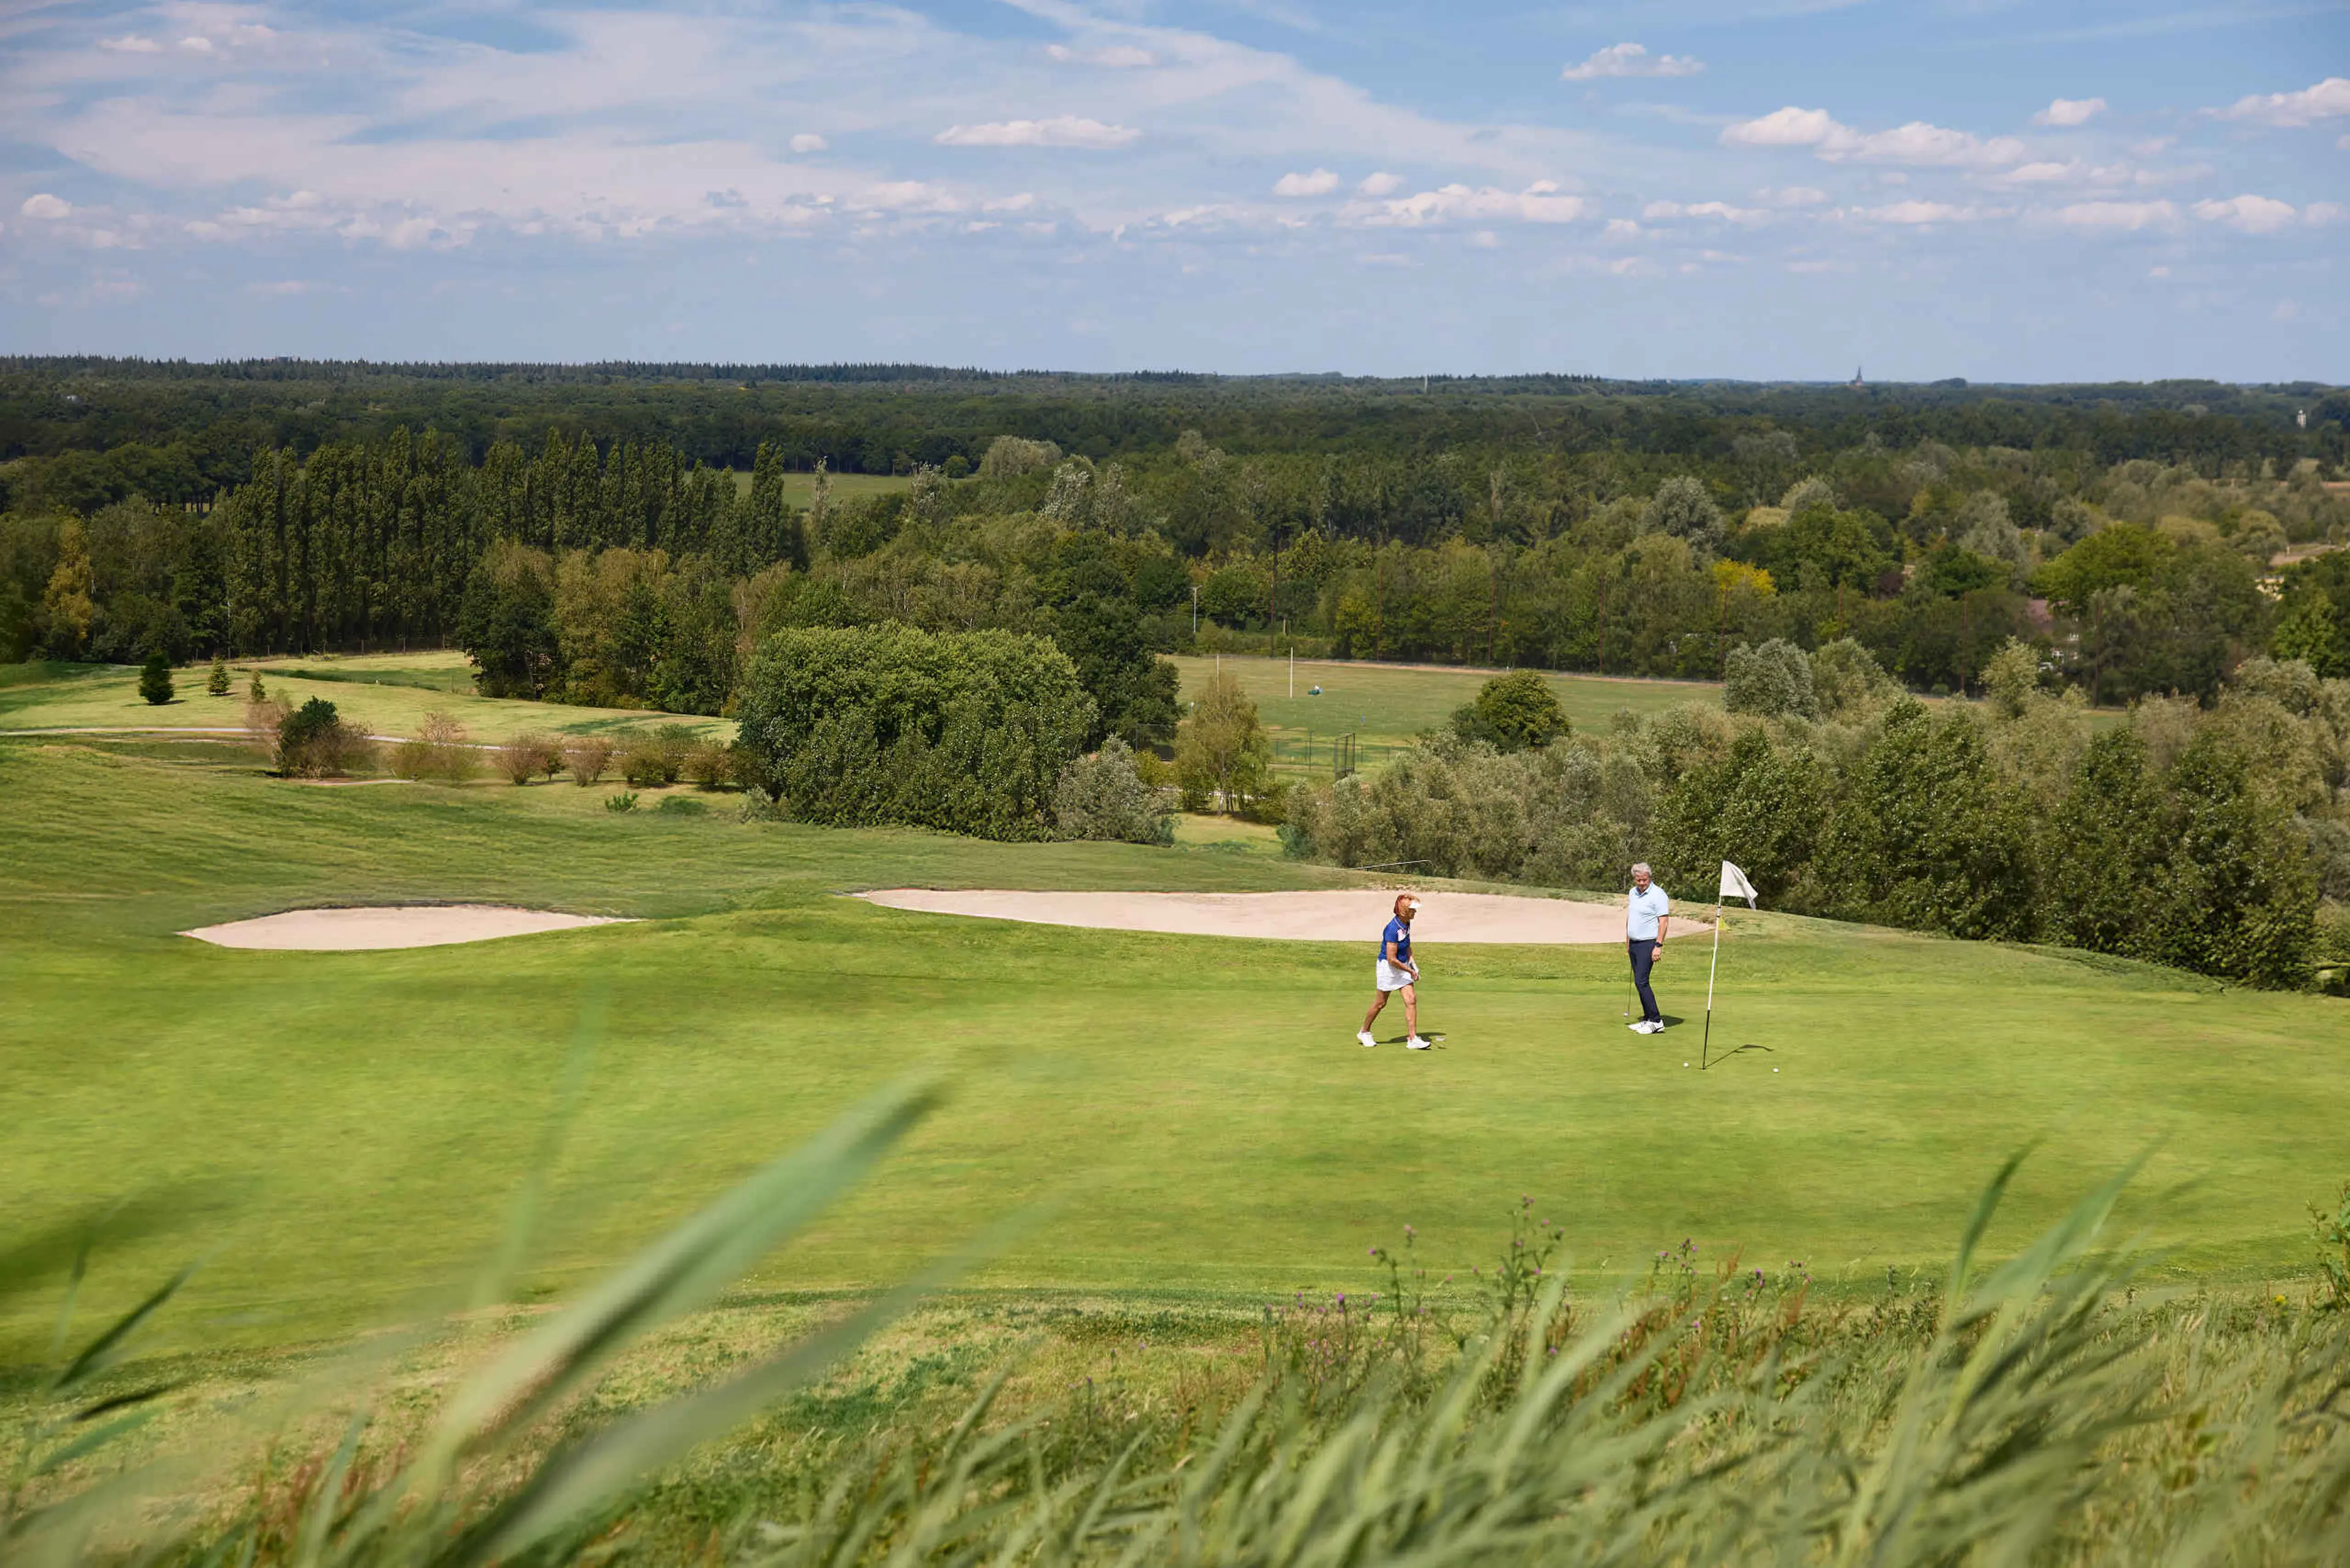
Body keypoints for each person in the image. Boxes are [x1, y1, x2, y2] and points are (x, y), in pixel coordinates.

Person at [1359, 893, 1431, 1050]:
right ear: (1404, 911)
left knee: (1411, 999)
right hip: (1388, 968)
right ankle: (1364, 1032)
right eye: (1412, 910)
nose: (1415, 912)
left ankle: (1412, 1038)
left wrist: (1413, 963)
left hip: (1402, 966)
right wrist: (1410, 971)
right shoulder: (1392, 929)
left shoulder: (1406, 923)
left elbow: (1407, 945)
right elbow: (1392, 959)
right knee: (1380, 1003)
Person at [1625, 862, 1670, 1034]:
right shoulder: (1633, 892)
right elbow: (1631, 916)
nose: (1642, 883)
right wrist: (1628, 939)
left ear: (1649, 878)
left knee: (1641, 981)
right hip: (1634, 943)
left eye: (1644, 880)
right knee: (1639, 982)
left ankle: (1657, 1021)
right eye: (1638, 880)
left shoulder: (1658, 894)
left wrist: (1658, 945)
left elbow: (1663, 921)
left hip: (1648, 943)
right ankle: (1647, 1019)